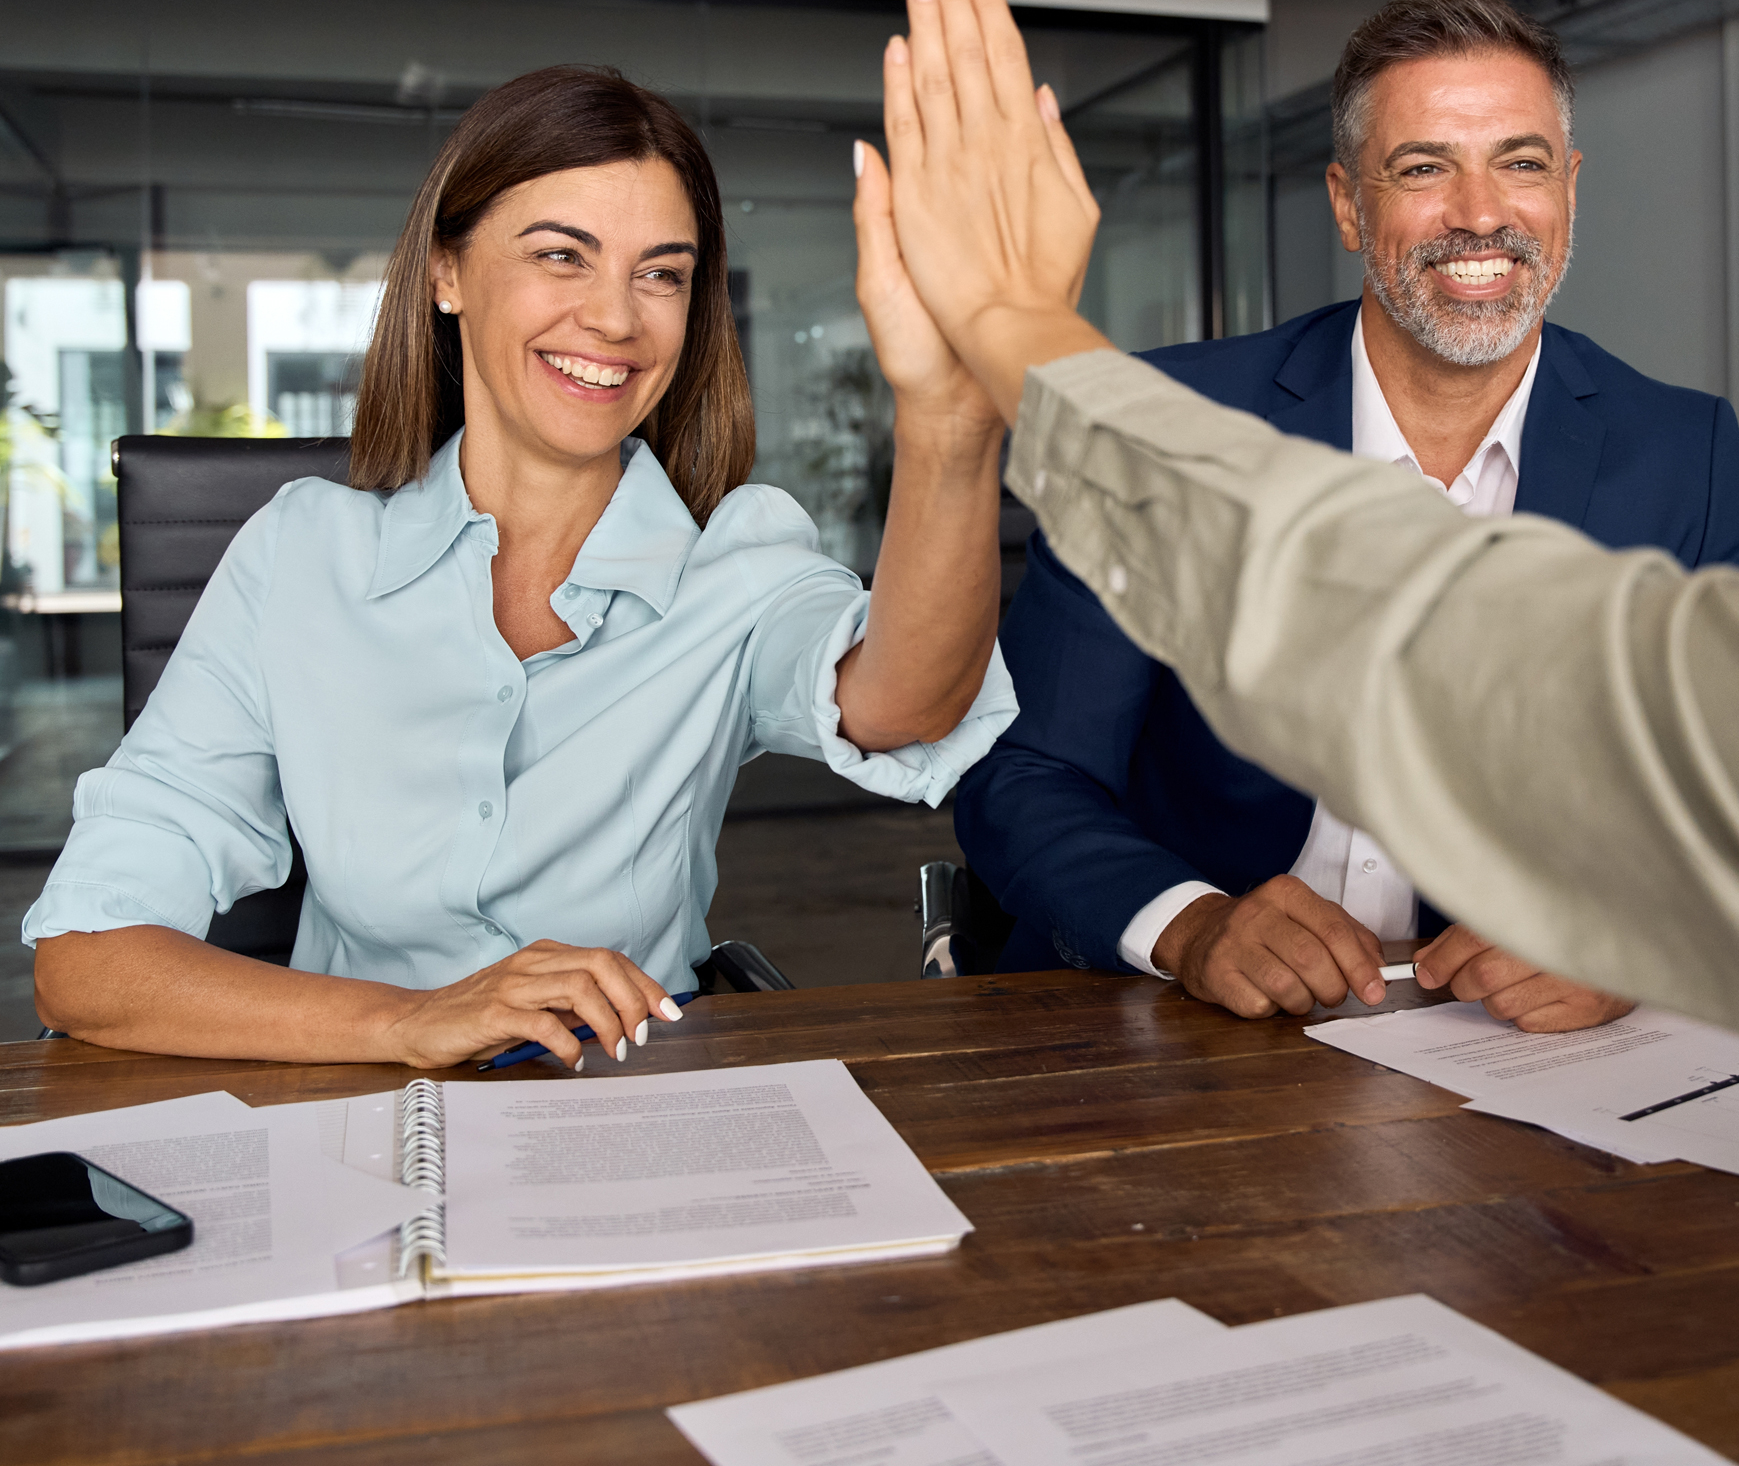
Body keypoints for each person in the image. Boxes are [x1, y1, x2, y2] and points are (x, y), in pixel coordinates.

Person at [855, 0, 1739, 1047]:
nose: (1482, 214)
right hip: (1173, 1044)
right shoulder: (1172, 411)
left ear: (1570, 189)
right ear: (1348, 204)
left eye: (1522, 163)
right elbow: (1027, 778)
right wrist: (1191, 925)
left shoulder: (1680, 450)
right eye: (1423, 168)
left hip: (1505, 1055)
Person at [28, 65, 1016, 1069]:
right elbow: (86, 958)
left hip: (622, 1113)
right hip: (346, 1109)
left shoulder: (736, 558)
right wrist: (409, 1021)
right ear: (447, 273)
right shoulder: (300, 553)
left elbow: (904, 704)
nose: (617, 320)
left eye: (661, 273)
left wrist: (948, 418)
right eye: (562, 256)